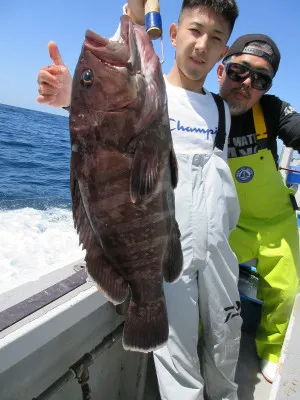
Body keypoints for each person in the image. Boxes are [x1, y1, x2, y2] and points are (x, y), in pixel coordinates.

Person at [37, 1, 242, 399]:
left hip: (216, 255)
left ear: (224, 50)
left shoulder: (223, 110)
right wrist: (71, 97)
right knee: (179, 370)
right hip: (166, 256)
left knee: (226, 345)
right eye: (195, 31)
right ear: (173, 33)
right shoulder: (153, 91)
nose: (202, 45)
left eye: (215, 38)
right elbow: (104, 133)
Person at [217, 34, 300, 383]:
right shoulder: (200, 110)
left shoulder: (272, 110)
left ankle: (270, 349)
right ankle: (209, 342)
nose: (247, 83)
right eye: (239, 71)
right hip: (230, 223)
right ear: (221, 69)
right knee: (211, 286)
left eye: (260, 79)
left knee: (284, 291)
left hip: (278, 221)